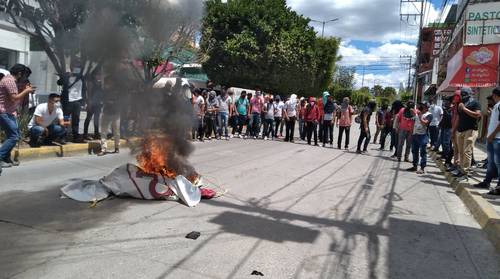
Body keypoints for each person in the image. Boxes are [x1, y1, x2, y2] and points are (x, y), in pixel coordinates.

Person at [0, 64, 34, 169]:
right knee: (14, 136)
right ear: (19, 73)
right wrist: (26, 91)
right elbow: (14, 98)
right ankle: (1, 157)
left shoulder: (10, 80)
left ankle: (5, 157)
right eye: (25, 75)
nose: (25, 78)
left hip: (9, 112)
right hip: (4, 112)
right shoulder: (10, 81)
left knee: (14, 135)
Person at [474, 88, 500, 194]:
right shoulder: (496, 106)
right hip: (492, 138)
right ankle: (487, 182)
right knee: (491, 163)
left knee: (498, 163)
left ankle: (499, 186)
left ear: (494, 95)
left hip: (497, 139)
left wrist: (493, 135)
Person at [452, 87, 481, 181]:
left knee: (466, 151)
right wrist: (454, 130)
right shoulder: (461, 103)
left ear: (469, 93)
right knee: (461, 151)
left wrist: (464, 109)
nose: (462, 95)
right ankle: (461, 170)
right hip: (460, 130)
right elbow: (459, 118)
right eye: (462, 93)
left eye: (464, 93)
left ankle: (465, 173)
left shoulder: (475, 103)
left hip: (471, 130)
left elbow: (478, 115)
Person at [407, 103, 432, 174]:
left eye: (423, 106)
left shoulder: (429, 115)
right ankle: (414, 166)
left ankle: (422, 168)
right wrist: (411, 133)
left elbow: (425, 123)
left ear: (426, 108)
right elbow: (413, 123)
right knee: (414, 151)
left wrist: (419, 115)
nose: (421, 107)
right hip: (415, 135)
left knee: (423, 152)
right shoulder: (417, 113)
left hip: (423, 135)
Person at [59, 71, 84, 142]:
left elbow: (84, 89)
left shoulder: (81, 77)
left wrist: (84, 101)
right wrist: (65, 76)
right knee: (66, 119)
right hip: (68, 101)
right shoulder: (67, 76)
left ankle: (75, 136)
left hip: (78, 101)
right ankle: (63, 136)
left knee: (76, 119)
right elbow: (59, 82)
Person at [83, 74, 103, 140]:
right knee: (88, 118)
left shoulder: (101, 82)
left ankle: (96, 134)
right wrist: (89, 103)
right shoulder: (91, 82)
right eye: (98, 74)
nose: (99, 76)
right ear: (95, 75)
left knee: (96, 119)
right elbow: (88, 92)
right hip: (92, 103)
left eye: (100, 75)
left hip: (98, 103)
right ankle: (85, 134)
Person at [439, 97, 454, 169]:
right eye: (444, 101)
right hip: (444, 127)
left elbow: (450, 117)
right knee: (443, 142)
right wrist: (440, 124)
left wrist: (445, 110)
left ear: (450, 102)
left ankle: (448, 157)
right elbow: (444, 118)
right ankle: (444, 155)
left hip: (449, 128)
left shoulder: (452, 109)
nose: (445, 103)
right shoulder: (446, 109)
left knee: (447, 143)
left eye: (446, 101)